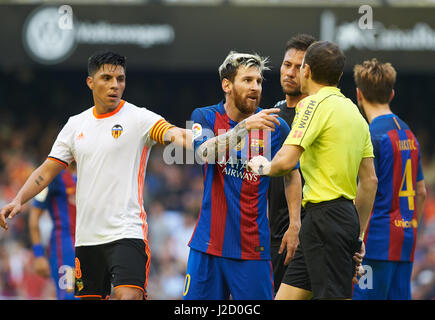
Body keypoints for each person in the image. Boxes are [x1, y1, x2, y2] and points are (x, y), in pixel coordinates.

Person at [0, 51, 192, 300]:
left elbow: (177, 134)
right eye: (107, 78)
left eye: (120, 79)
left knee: (129, 296)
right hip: (87, 239)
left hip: (127, 232)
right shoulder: (75, 125)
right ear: (90, 82)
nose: (115, 85)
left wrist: (206, 141)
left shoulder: (139, 118)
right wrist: (18, 200)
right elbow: (47, 169)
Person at [248, 41, 378, 300]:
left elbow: (286, 161)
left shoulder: (312, 105)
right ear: (339, 76)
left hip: (323, 219)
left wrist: (264, 166)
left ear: (306, 71)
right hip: (335, 220)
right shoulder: (355, 112)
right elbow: (370, 181)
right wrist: (358, 234)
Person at [183, 51, 299, 300]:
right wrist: (243, 128)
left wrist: (295, 224)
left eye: (258, 81)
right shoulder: (204, 116)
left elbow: (291, 175)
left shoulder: (276, 126)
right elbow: (204, 153)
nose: (255, 87)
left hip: (253, 250)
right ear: (227, 85)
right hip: (207, 247)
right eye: (247, 80)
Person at [352, 58, 427, 300]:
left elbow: (367, 186)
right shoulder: (409, 134)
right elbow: (421, 192)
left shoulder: (370, 135)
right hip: (405, 240)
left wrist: (356, 236)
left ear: (358, 95)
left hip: (375, 243)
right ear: (392, 94)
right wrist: (411, 226)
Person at [268, 34, 315, 295]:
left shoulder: (318, 115)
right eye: (287, 65)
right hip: (273, 234)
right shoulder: (272, 115)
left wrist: (296, 226)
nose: (290, 72)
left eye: (299, 67)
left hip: (305, 234)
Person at [29, 164, 77, 300]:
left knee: (91, 295)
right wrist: (38, 255)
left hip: (90, 245)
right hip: (65, 247)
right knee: (70, 295)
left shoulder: (90, 170)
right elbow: (34, 217)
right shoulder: (51, 175)